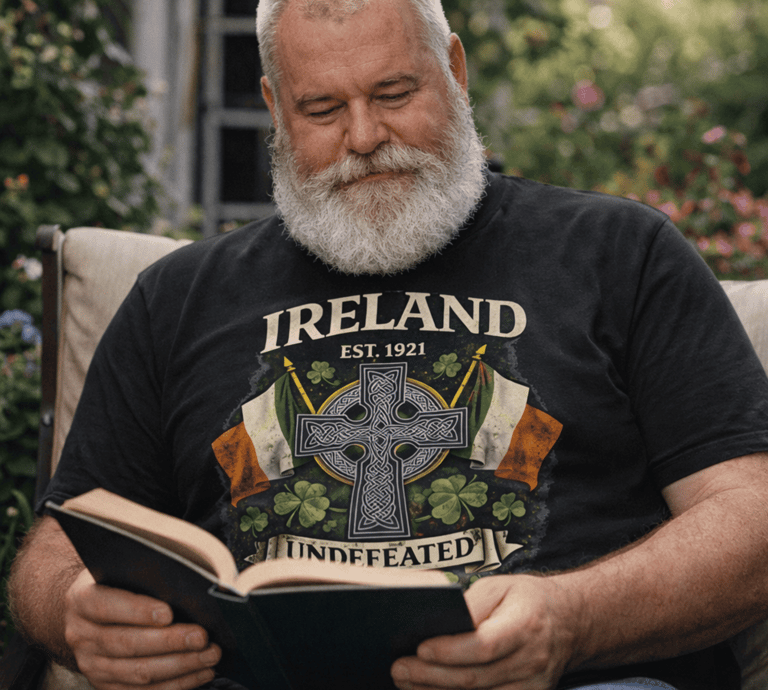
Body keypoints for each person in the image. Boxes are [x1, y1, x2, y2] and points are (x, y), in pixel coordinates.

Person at [8, 0, 768, 689]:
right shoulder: (175, 299)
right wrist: (74, 610)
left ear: (455, 71)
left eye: (395, 95)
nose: (365, 138)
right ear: (275, 108)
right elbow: (55, 547)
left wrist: (572, 619)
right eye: (322, 108)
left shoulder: (620, 253)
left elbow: (750, 513)